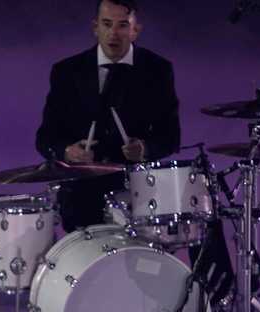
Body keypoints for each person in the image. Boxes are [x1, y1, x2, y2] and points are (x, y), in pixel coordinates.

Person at [35, 0, 180, 232]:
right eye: (107, 24)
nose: (114, 33)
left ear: (135, 30)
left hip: (137, 193)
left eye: (123, 25)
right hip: (81, 193)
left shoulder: (157, 71)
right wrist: (67, 151)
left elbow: (171, 135)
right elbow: (46, 137)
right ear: (95, 27)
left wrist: (145, 148)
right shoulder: (66, 72)